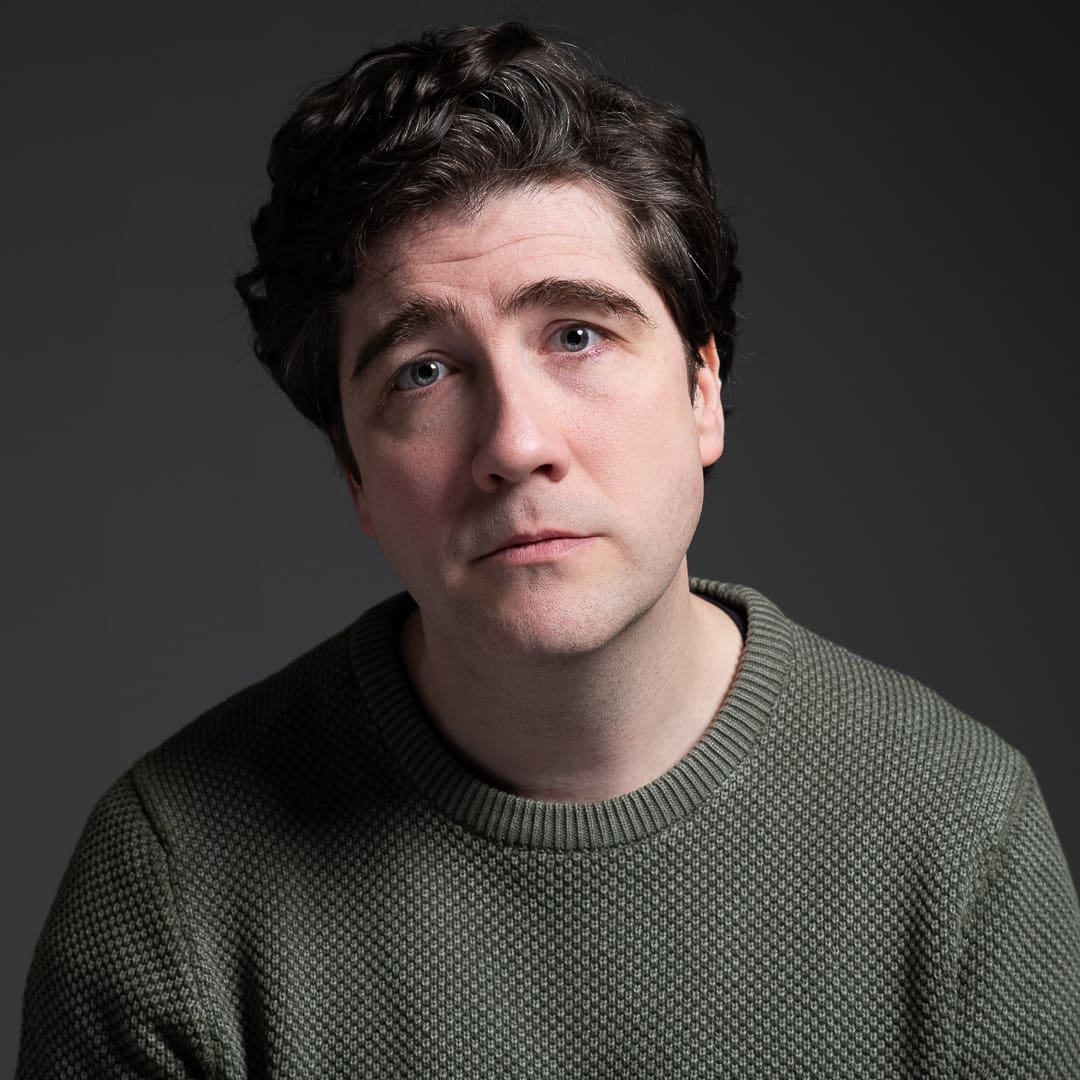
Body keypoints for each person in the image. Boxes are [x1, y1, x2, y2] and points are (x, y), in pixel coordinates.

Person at [16, 21, 1080, 1078]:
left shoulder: (956, 827)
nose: (516, 445)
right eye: (423, 372)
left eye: (577, 334)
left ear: (704, 390)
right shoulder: (170, 883)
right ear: (355, 479)